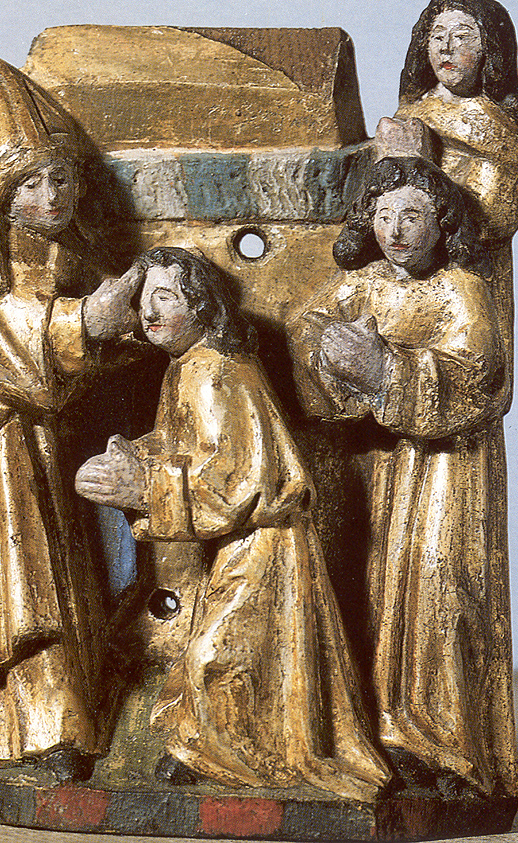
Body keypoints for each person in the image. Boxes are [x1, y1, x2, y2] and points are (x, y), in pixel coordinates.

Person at [75, 247, 391, 799]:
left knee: (219, 655)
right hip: (244, 540)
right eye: (144, 300)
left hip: (266, 540)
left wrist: (143, 487)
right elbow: (187, 444)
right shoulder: (188, 367)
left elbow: (238, 480)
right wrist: (134, 457)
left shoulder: (217, 372)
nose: (149, 313)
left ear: (202, 306)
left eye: (165, 298)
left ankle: (232, 760)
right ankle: (210, 754)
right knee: (233, 655)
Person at [0, 60, 144, 781]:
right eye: (30, 185)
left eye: (60, 178)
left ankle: (72, 719)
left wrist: (127, 330)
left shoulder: (74, 245)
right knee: (20, 590)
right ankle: (32, 733)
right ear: (2, 194)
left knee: (73, 578)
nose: (51, 197)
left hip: (55, 446)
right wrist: (86, 321)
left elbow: (100, 344)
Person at [288, 157, 518, 799]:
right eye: (383, 215)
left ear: (442, 224)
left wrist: (385, 371)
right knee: (373, 584)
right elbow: (308, 329)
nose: (394, 231)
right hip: (374, 462)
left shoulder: (460, 290)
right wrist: (332, 357)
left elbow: (479, 378)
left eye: (412, 216)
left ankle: (445, 743)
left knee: (437, 585)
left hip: (447, 465)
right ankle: (383, 732)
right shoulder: (362, 285)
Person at [393, 0, 518, 388]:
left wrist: (423, 183)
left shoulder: (497, 123)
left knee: (465, 372)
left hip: (470, 266)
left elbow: (499, 217)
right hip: (407, 263)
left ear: (490, 49)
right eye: (437, 36)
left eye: (463, 36)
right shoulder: (412, 112)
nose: (446, 48)